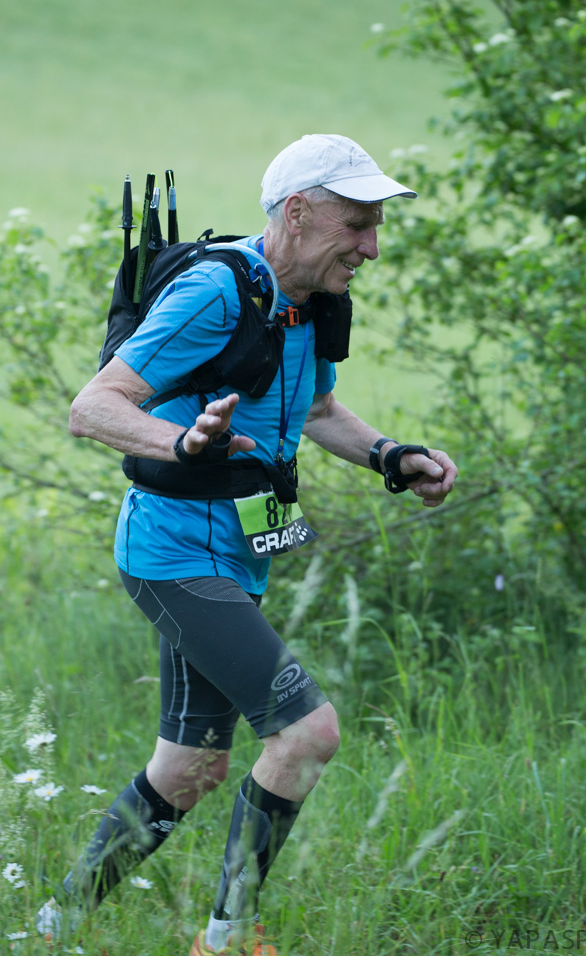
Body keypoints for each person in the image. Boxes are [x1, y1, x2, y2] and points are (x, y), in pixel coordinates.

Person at [37, 134, 458, 956]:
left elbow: (316, 409)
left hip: (239, 548)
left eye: (376, 226)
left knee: (188, 770)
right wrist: (182, 442)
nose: (371, 246)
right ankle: (227, 939)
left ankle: (49, 927)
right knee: (305, 732)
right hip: (174, 551)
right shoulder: (214, 293)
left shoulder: (310, 298)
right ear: (297, 214)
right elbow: (95, 406)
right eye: (356, 224)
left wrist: (391, 457)